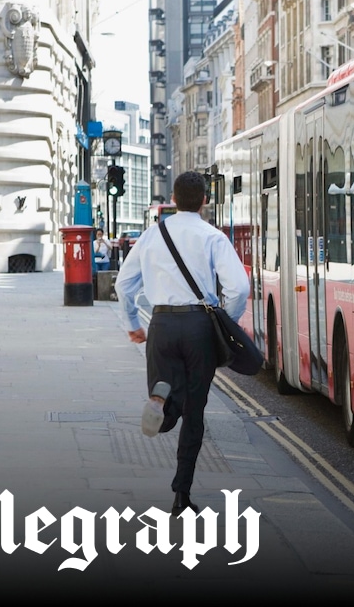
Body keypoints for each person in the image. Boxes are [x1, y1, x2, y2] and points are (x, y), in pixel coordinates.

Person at [114, 171, 249, 514]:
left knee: (168, 396)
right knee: (196, 411)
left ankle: (162, 405)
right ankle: (181, 496)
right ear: (205, 200)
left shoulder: (150, 235)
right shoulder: (213, 236)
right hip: (199, 326)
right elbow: (239, 288)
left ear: (173, 199)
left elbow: (124, 285)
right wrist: (226, 320)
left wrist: (133, 324)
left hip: (160, 323)